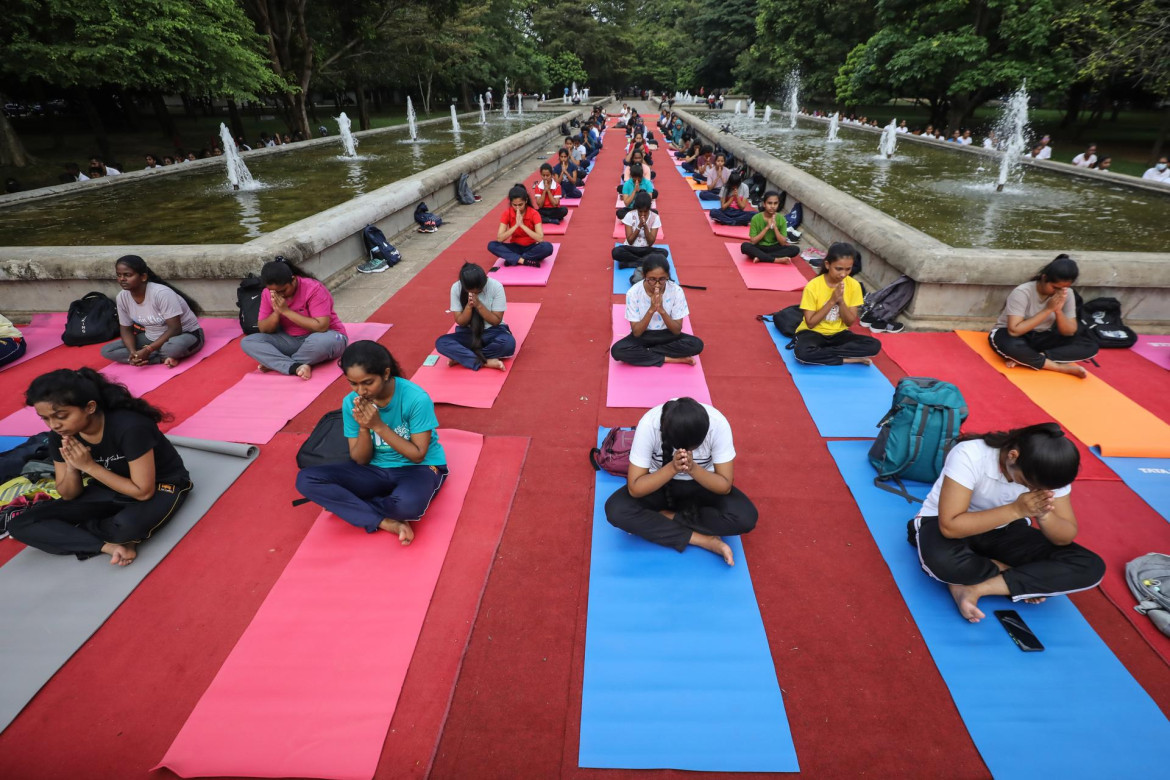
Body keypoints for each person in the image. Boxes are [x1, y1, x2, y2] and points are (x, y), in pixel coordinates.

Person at [909, 423, 1105, 623]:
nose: (1033, 489)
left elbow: (1064, 537)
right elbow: (950, 527)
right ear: (1012, 456)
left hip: (1006, 529)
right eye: (1028, 482)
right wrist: (1016, 510)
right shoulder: (971, 454)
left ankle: (975, 587)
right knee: (944, 563)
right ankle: (1008, 575)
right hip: (945, 523)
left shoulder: (1050, 473)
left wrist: (1044, 515)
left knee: (1089, 566)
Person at [10, 368, 192, 566]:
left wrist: (88, 466)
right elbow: (69, 494)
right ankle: (108, 545)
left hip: (160, 486)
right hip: (108, 489)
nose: (54, 425)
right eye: (45, 418)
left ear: (89, 407)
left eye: (61, 416)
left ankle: (89, 533)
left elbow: (143, 492)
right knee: (21, 524)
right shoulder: (59, 436)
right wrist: (72, 466)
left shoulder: (130, 427)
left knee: (126, 526)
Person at [295, 341, 447, 546]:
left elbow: (418, 454)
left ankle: (351, 506)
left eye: (367, 383)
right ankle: (384, 522)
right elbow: (359, 458)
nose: (360, 391)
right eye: (353, 383)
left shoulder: (416, 399)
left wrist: (378, 426)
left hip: (418, 468)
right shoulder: (351, 402)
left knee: (407, 506)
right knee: (307, 479)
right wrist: (364, 427)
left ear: (385, 374)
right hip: (375, 469)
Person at [604, 397, 757, 566]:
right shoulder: (649, 424)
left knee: (745, 518)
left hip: (702, 486)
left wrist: (693, 469)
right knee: (616, 510)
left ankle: (667, 517)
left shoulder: (718, 424)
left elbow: (724, 485)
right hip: (660, 484)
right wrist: (672, 468)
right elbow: (635, 488)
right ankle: (702, 540)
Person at [988, 255, 1098, 378]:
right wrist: (1048, 309)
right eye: (1055, 287)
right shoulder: (1023, 292)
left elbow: (1069, 332)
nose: (1058, 292)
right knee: (1011, 346)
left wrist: (1058, 311)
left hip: (1041, 336)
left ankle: (1032, 358)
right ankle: (1059, 367)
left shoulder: (1067, 294)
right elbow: (1014, 331)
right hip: (1012, 335)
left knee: (1089, 345)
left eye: (1064, 288)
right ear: (1044, 278)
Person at [241, 257, 348, 380]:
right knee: (248, 342)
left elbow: (321, 326)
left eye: (283, 290)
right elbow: (264, 329)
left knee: (321, 343)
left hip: (326, 336)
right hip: (292, 340)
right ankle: (296, 366)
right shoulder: (268, 293)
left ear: (293, 280)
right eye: (274, 291)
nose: (279, 295)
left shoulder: (314, 288)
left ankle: (282, 364)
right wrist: (277, 312)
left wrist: (286, 311)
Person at [100, 255, 205, 368]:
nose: (122, 279)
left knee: (173, 348)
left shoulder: (161, 293)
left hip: (184, 334)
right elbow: (126, 329)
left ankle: (158, 355)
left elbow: (175, 329)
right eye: (119, 275)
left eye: (127, 275)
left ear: (143, 277)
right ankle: (161, 358)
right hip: (151, 337)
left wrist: (148, 350)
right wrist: (133, 352)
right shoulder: (122, 297)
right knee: (107, 350)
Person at [793, 242, 881, 365]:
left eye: (848, 269)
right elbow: (811, 323)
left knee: (874, 345)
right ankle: (847, 359)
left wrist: (841, 302)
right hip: (813, 333)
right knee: (802, 353)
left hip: (839, 334)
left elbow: (849, 322)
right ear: (828, 265)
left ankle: (822, 353)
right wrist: (832, 301)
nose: (843, 274)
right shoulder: (813, 286)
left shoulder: (854, 286)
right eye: (839, 269)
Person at [611, 255, 703, 367]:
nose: (658, 284)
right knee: (617, 351)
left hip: (668, 335)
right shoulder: (633, 293)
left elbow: (676, 331)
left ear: (668, 276)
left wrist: (661, 310)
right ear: (644, 276)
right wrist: (651, 309)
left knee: (697, 345)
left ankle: (646, 353)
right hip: (643, 335)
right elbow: (637, 332)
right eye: (652, 279)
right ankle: (670, 358)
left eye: (662, 279)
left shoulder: (676, 291)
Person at [435, 262, 516, 371]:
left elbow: (496, 321)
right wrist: (469, 306)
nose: (477, 293)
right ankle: (485, 362)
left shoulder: (496, 286)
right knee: (441, 343)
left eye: (479, 290)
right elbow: (461, 322)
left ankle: (463, 358)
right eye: (473, 291)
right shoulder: (456, 288)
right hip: (468, 333)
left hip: (493, 331)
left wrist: (479, 305)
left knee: (508, 343)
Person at [487, 184, 554, 267]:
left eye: (520, 205)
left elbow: (540, 238)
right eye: (514, 205)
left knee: (548, 247)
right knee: (492, 245)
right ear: (511, 203)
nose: (517, 208)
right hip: (515, 247)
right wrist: (516, 225)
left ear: (526, 201)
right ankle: (523, 260)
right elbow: (500, 238)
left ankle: (514, 259)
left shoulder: (534, 213)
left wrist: (522, 225)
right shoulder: (507, 213)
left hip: (531, 247)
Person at [612, 191, 668, 269]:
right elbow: (630, 240)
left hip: (647, 249)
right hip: (631, 248)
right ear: (637, 209)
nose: (642, 214)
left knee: (664, 253)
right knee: (616, 252)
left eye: (645, 211)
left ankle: (632, 263)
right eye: (640, 211)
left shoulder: (655, 217)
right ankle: (644, 262)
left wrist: (645, 227)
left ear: (649, 208)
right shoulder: (629, 215)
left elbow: (651, 241)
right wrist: (639, 226)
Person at [739, 191, 798, 263]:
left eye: (775, 203)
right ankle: (775, 260)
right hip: (760, 247)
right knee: (745, 246)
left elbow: (783, 243)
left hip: (775, 247)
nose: (773, 206)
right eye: (769, 203)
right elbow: (753, 241)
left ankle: (761, 257)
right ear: (764, 204)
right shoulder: (756, 218)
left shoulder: (781, 219)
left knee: (795, 249)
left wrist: (775, 227)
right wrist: (767, 227)